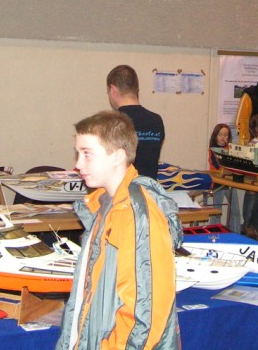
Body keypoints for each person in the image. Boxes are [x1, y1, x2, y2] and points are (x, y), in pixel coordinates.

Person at [56, 110, 181, 350]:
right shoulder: (103, 206)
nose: (78, 164)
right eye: (78, 153)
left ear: (117, 156)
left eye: (87, 154)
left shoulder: (137, 214)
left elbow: (147, 314)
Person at [106, 65, 165, 179]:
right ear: (136, 89)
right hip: (148, 188)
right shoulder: (156, 120)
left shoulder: (111, 123)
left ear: (113, 90)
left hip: (121, 188)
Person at [207, 123, 241, 231]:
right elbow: (217, 165)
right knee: (217, 210)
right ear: (215, 135)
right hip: (218, 182)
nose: (223, 137)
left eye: (226, 135)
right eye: (220, 134)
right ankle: (213, 232)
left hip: (229, 181)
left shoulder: (231, 149)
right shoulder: (212, 150)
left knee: (235, 210)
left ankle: (236, 232)